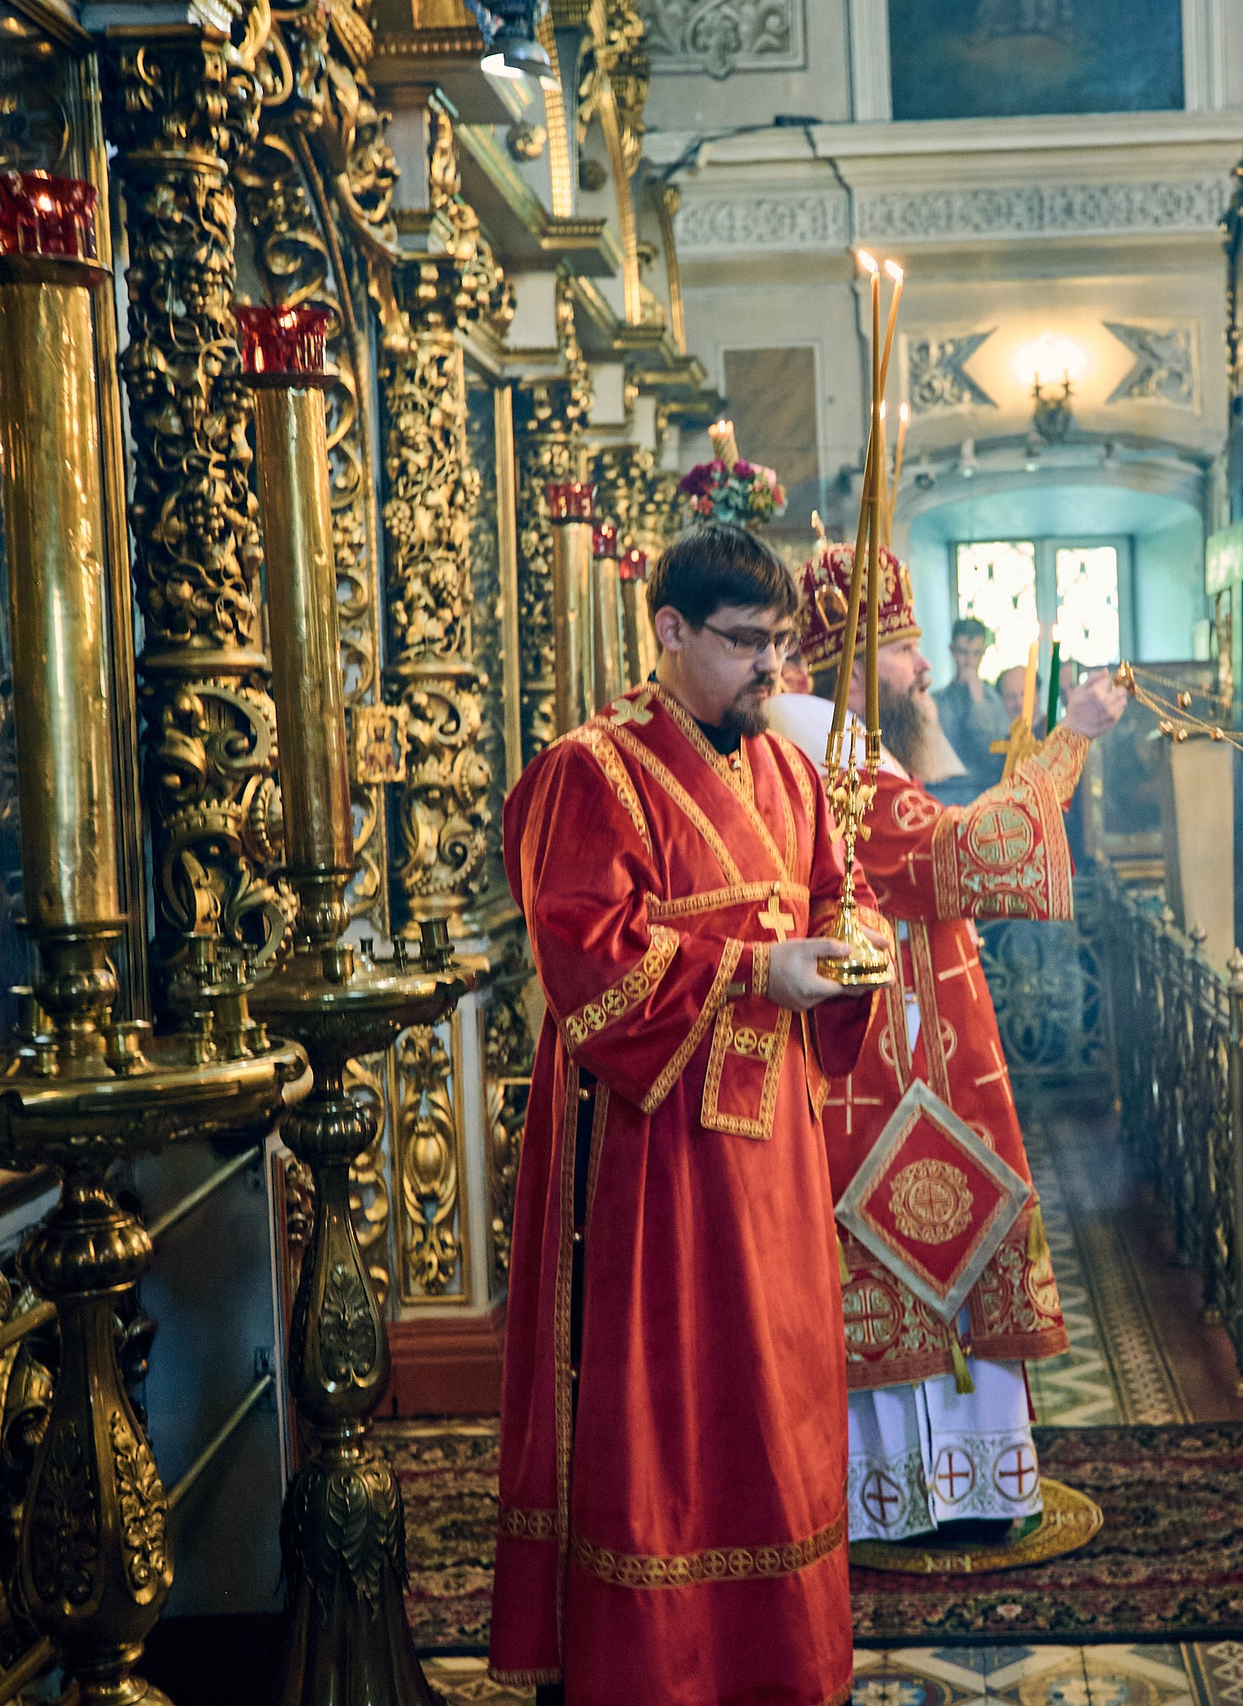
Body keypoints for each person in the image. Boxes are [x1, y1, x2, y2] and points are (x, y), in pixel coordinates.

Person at [488, 523, 881, 1706]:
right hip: (652, 1160)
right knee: (668, 1405)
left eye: (782, 642)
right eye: (748, 641)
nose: (774, 667)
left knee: (775, 1397)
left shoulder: (790, 772)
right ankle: (655, 1666)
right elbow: (584, 960)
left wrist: (856, 942)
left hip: (775, 1159)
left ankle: (777, 1661)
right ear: (668, 628)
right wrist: (756, 969)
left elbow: (835, 890)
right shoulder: (590, 770)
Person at [766, 543, 1127, 1549]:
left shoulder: (848, 751)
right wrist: (1070, 738)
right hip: (890, 1073)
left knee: (944, 1255)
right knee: (914, 1257)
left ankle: (951, 1487)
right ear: (847, 668)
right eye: (901, 648)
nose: (922, 667)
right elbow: (958, 852)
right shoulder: (832, 760)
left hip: (916, 1053)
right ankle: (924, 1496)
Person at [931, 616, 1014, 803]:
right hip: (943, 795)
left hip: (984, 796)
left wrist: (978, 703)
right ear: (952, 651)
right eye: (963, 652)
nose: (969, 661)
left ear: (983, 653)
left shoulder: (994, 702)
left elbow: (995, 758)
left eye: (975, 653)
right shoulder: (936, 702)